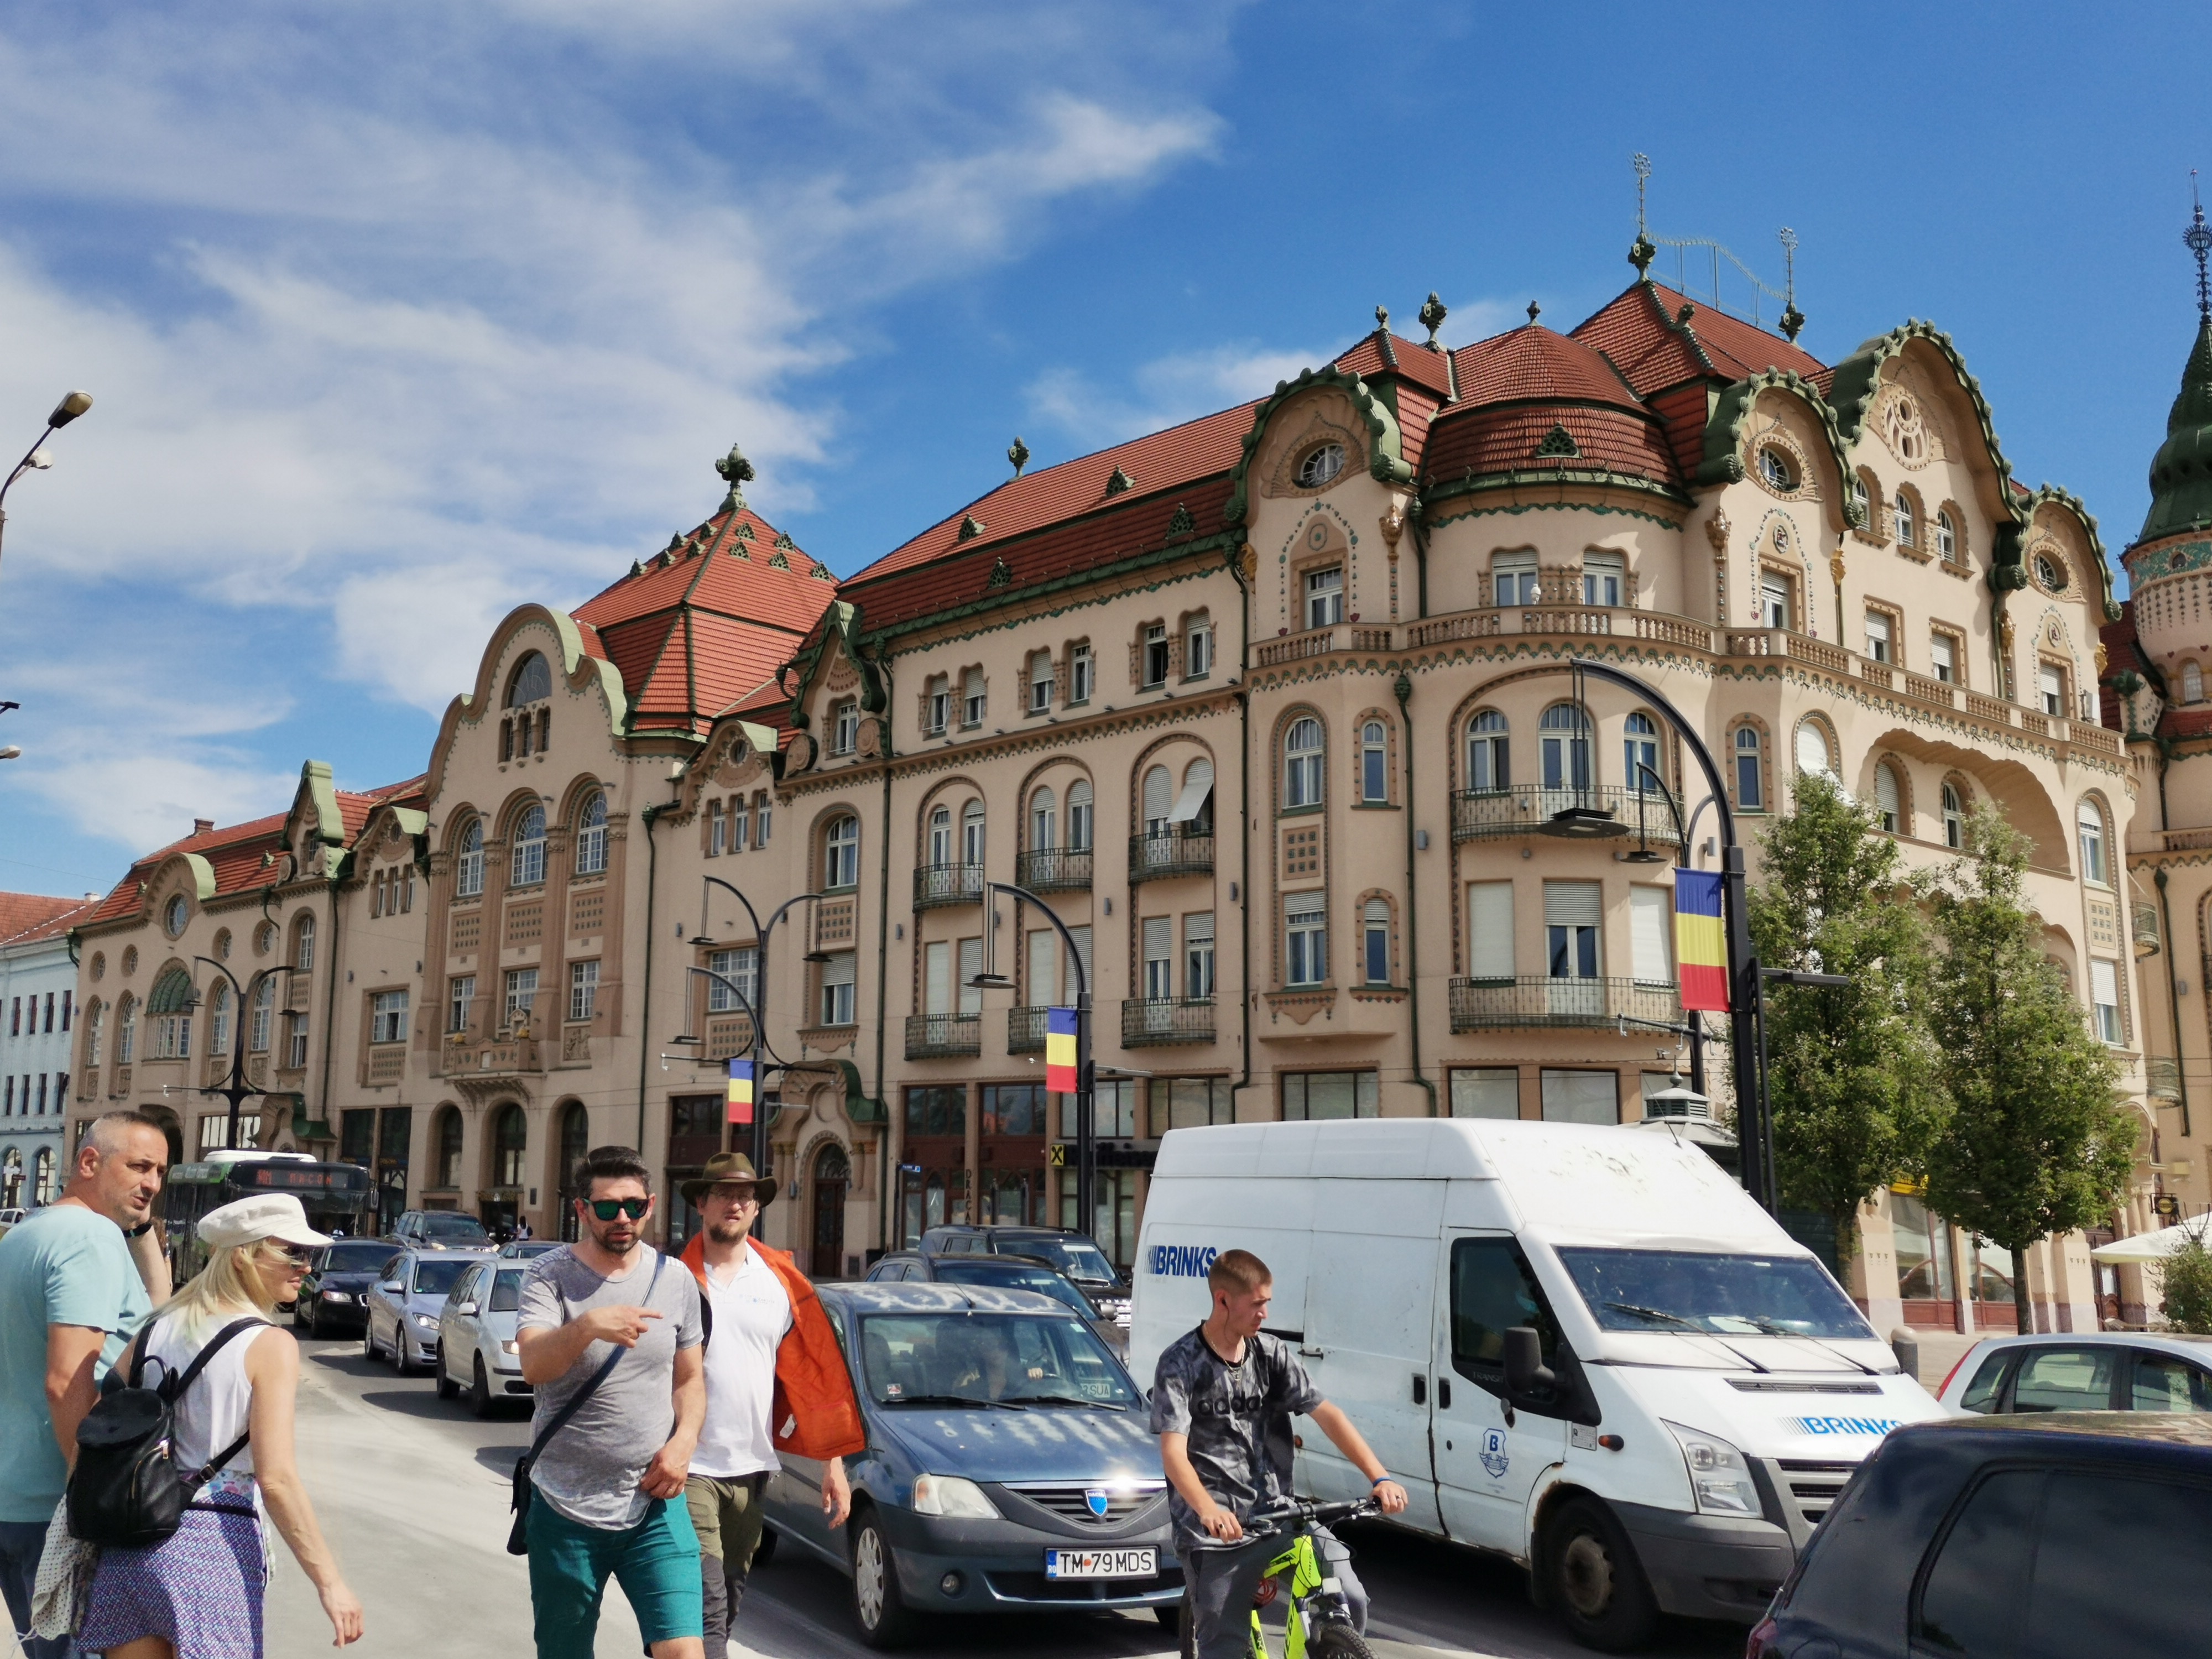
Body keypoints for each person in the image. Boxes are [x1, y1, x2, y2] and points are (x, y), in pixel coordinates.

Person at [77, 1192, 366, 1658]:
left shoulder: (155, 1326)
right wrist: (330, 1583)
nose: (306, 1266)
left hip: (129, 1544)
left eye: (308, 1254)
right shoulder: (270, 1344)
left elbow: (102, 1413)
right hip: (212, 1548)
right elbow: (277, 1479)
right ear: (245, 1257)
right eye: (292, 1252)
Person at [1152, 1248, 1409, 1659]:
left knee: (1351, 1600)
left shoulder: (1270, 1354)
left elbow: (1327, 1415)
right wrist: (1208, 1511)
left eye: (1267, 1303)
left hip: (1280, 1515)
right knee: (1225, 1648)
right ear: (1223, 1300)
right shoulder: (1180, 1363)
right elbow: (1173, 1454)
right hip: (1218, 1535)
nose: (1265, 1314)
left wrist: (1379, 1477)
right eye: (1257, 1304)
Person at [517, 1146, 706, 1659]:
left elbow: (689, 1380)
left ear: (651, 1204)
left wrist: (684, 1443)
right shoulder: (548, 1276)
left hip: (655, 1502)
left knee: (685, 1651)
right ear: (581, 1210)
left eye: (634, 1206)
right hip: (564, 1507)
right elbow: (534, 1364)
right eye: (606, 1208)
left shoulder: (676, 1279)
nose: (622, 1219)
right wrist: (586, 1327)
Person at [675, 1154, 863, 1658]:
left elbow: (814, 1378)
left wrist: (833, 1464)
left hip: (754, 1468)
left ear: (756, 1208)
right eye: (722, 1194)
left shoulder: (781, 1283)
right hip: (688, 1467)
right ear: (701, 1203)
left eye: (745, 1196)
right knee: (706, 1604)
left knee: (727, 1603)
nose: (734, 1203)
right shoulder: (674, 1279)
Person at [0, 1109, 171, 1659]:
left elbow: (155, 1314)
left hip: (15, 1497)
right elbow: (67, 1378)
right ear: (91, 1161)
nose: (153, 1183)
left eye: (161, 1172)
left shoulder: (27, 1234)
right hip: (58, 1505)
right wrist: (90, 1497)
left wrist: (141, 1229)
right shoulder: (89, 1240)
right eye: (140, 1166)